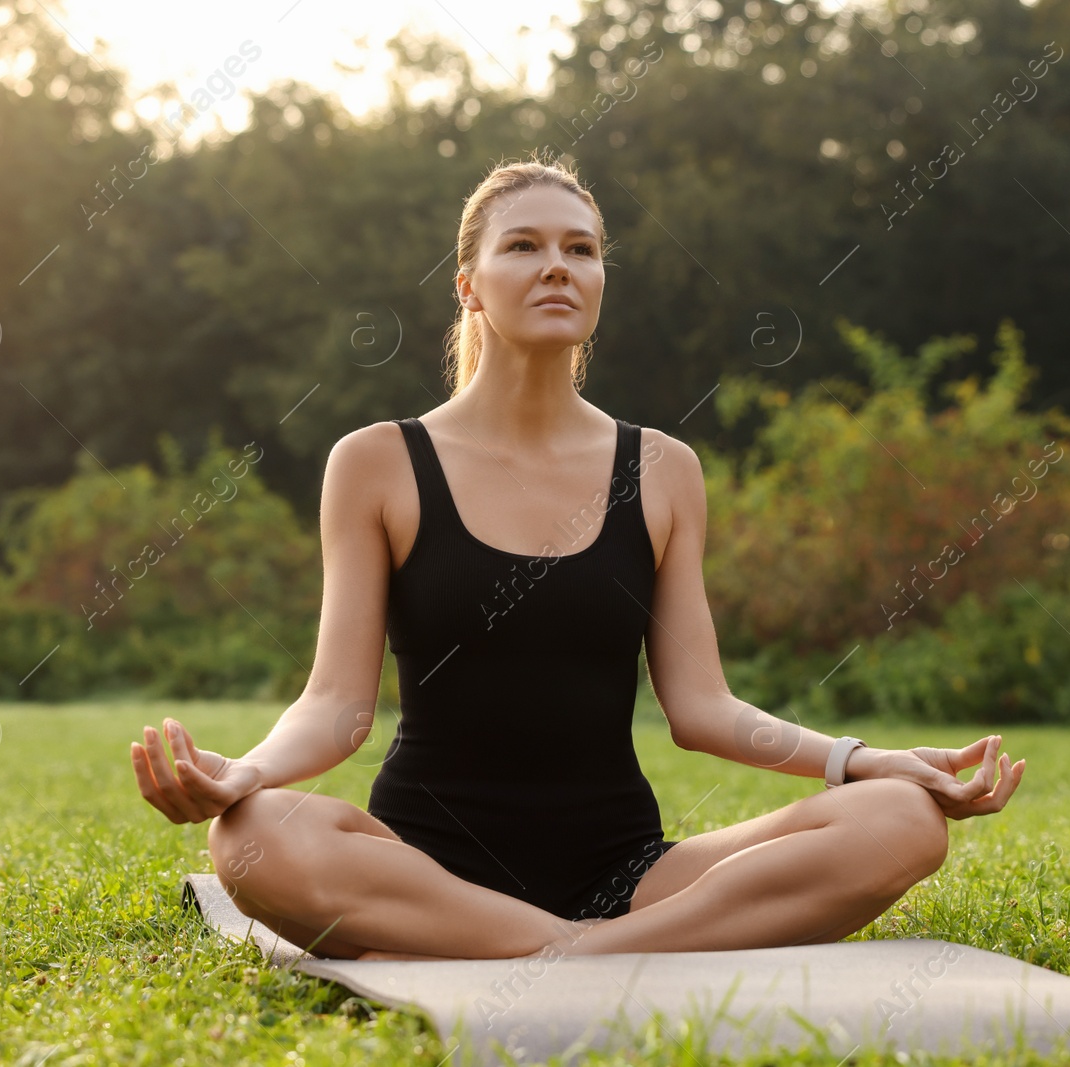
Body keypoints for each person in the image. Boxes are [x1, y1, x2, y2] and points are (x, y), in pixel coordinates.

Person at [130, 154, 1024, 962]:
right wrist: (242, 773)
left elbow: (703, 707)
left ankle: (576, 952)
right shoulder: (377, 462)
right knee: (249, 836)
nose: (559, 264)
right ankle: (595, 952)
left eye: (582, 249)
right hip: (423, 867)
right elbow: (334, 708)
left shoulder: (665, 470)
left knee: (901, 820)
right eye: (522, 245)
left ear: (599, 278)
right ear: (470, 286)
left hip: (626, 872)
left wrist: (859, 760)